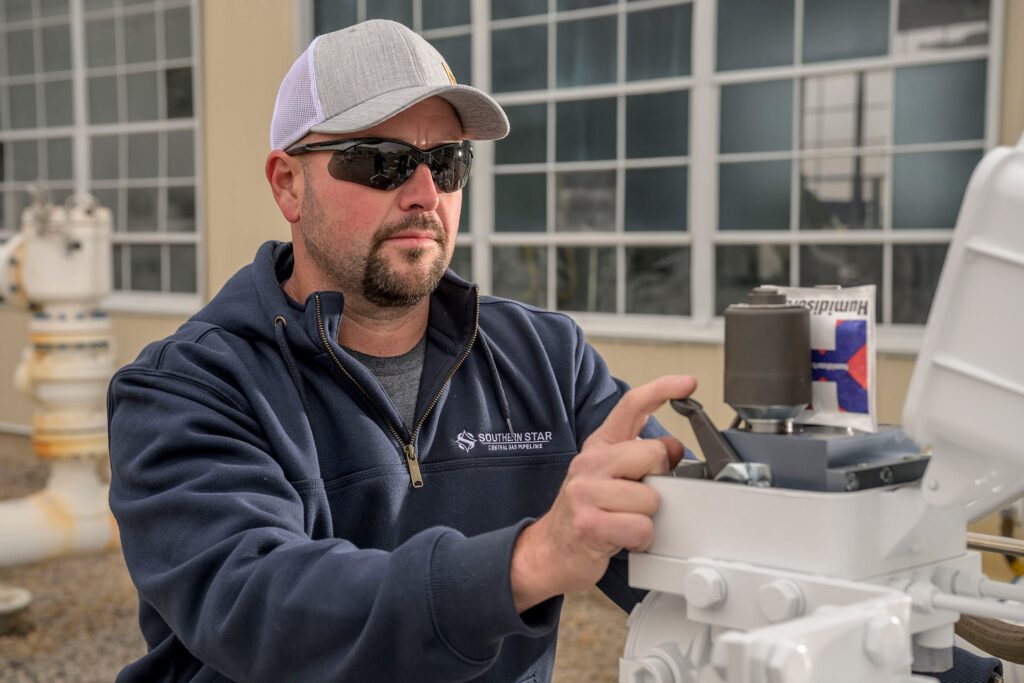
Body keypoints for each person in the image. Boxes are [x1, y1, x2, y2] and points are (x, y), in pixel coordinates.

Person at [108, 19, 695, 682]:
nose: (424, 194)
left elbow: (695, 558)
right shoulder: (186, 386)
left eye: (446, 162)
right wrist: (526, 561)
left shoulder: (547, 361)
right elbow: (264, 607)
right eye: (380, 161)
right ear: (287, 184)